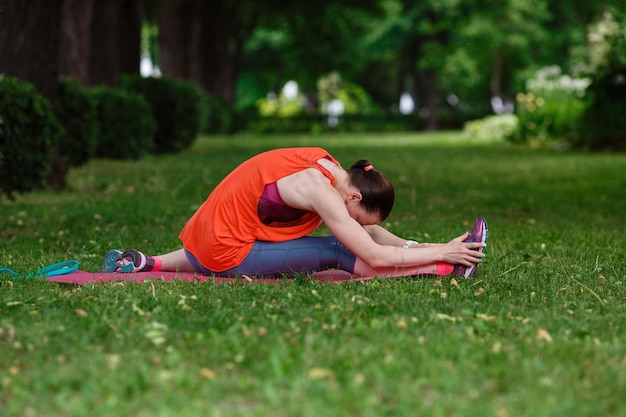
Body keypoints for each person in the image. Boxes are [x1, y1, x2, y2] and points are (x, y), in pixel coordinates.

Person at [102, 147, 488, 279]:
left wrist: (431, 243)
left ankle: (145, 263)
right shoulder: (320, 192)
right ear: (353, 199)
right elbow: (370, 252)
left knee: (346, 240)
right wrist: (441, 255)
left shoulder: (327, 166)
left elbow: (373, 236)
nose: (359, 227)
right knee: (340, 250)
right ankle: (442, 270)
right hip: (226, 251)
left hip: (208, 239)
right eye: (359, 219)